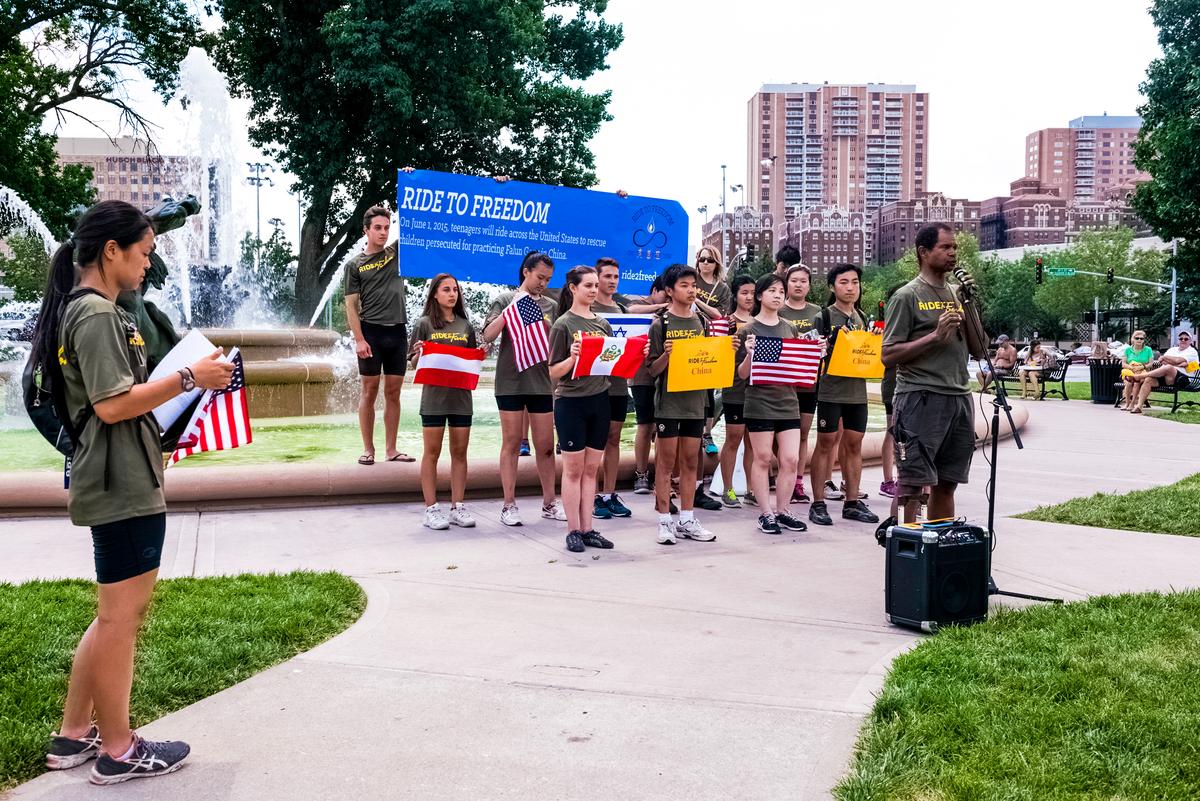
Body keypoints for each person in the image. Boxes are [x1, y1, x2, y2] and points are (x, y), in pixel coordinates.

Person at [32, 201, 234, 784]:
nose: (150, 263)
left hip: (120, 473)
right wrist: (190, 378)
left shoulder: (93, 309)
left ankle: (73, 736)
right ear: (111, 251)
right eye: (144, 253)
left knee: (112, 615)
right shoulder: (96, 314)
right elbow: (112, 403)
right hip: (120, 482)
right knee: (122, 618)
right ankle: (118, 750)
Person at [882, 222, 987, 524]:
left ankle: (938, 546)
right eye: (945, 247)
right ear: (924, 252)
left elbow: (980, 350)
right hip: (920, 397)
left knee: (947, 483)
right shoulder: (907, 296)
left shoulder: (958, 294)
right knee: (912, 485)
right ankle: (903, 547)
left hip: (958, 397)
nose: (953, 253)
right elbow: (888, 355)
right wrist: (933, 337)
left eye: (955, 247)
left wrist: (969, 303)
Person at [482, 252, 567, 526]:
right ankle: (509, 505)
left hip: (541, 382)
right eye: (540, 277)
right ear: (526, 272)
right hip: (510, 381)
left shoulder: (551, 305)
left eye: (548, 279)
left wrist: (543, 324)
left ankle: (549, 503)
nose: (543, 283)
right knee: (512, 443)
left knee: (544, 446)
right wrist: (513, 310)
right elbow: (487, 335)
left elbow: (555, 343)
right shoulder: (506, 299)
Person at [548, 266, 622, 552]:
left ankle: (588, 527)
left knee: (592, 469)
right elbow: (554, 371)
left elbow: (610, 361)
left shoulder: (602, 324)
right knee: (573, 470)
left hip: (599, 399)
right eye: (587, 285)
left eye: (595, 285)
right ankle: (573, 530)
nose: (593, 290)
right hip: (571, 402)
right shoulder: (563, 325)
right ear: (573, 288)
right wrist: (572, 357)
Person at [647, 264, 716, 545]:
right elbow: (651, 370)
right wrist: (666, 355)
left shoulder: (703, 323)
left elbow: (710, 360)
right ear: (669, 290)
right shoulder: (660, 323)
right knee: (665, 464)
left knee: (690, 462)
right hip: (669, 404)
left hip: (695, 402)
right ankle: (664, 520)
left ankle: (687, 517)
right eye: (685, 286)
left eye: (693, 285)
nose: (691, 290)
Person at [808, 264, 879, 527]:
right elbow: (812, 353)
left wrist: (874, 341)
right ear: (832, 287)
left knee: (854, 444)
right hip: (830, 390)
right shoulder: (824, 317)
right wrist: (828, 344)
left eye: (855, 282)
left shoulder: (861, 317)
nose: (850, 288)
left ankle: (851, 502)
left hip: (857, 391)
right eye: (844, 282)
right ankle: (818, 503)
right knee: (825, 443)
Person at [737, 273, 809, 534]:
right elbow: (742, 375)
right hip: (760, 402)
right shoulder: (748, 329)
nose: (778, 295)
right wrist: (750, 355)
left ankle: (784, 510)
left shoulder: (790, 328)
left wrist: (815, 352)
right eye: (772, 291)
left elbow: (797, 367)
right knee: (763, 457)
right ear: (759, 296)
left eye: (781, 291)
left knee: (790, 458)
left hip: (788, 401)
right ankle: (765, 513)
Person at [408, 274, 480, 530]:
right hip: (434, 399)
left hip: (461, 398)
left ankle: (457, 506)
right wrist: (418, 354)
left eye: (455, 290)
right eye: (446, 290)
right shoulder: (425, 324)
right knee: (432, 452)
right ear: (435, 295)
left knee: (459, 453)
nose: (452, 294)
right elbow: (415, 365)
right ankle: (431, 509)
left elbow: (472, 360)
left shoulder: (466, 326)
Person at [345, 206, 414, 465]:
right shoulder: (354, 265)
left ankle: (391, 449)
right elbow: (351, 305)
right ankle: (368, 449)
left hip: (397, 331)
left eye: (386, 228)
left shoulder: (396, 252)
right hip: (371, 332)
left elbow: (419, 221)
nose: (383, 232)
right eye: (378, 228)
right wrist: (359, 339)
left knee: (394, 393)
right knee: (369, 391)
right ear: (366, 230)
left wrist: (411, 181)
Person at [589, 257, 633, 520]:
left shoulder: (620, 310)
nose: (612, 281)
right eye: (607, 276)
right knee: (594, 442)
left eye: (615, 277)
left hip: (617, 386)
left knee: (613, 438)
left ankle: (609, 493)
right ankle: (591, 495)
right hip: (593, 386)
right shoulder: (588, 308)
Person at [778, 263, 822, 503]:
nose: (798, 285)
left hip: (809, 382)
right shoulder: (778, 309)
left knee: (803, 434)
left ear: (809, 284)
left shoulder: (817, 313)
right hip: (783, 384)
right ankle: (781, 475)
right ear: (787, 283)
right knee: (781, 434)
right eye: (794, 280)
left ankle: (797, 481)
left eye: (803, 281)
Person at [716, 274, 757, 508]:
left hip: (757, 390)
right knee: (733, 438)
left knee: (753, 442)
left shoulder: (761, 322)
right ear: (735, 295)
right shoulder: (727, 323)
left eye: (752, 292)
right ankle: (728, 489)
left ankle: (752, 489)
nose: (749, 297)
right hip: (734, 387)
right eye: (744, 292)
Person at [627, 276, 670, 494]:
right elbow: (629, 310)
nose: (668, 298)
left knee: (664, 428)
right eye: (665, 293)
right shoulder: (641, 303)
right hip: (642, 376)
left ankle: (663, 476)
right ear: (655, 291)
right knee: (645, 424)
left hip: (668, 378)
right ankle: (641, 473)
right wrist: (662, 306)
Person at [1131, 331, 1198, 414]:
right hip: (1166, 376)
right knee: (1149, 379)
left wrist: (1166, 358)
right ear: (1178, 340)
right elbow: (1161, 361)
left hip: (1183, 379)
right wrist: (1178, 363)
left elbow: (1175, 360)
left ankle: (1141, 376)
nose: (1183, 340)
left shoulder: (1192, 351)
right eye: (1181, 338)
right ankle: (1139, 406)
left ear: (1190, 341)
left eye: (1186, 339)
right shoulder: (1172, 349)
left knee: (1169, 367)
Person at [1120, 330, 1155, 410]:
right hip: (1130, 371)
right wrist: (1131, 367)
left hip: (1142, 372)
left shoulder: (1148, 350)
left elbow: (1151, 364)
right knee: (1128, 383)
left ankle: (1132, 404)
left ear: (1144, 340)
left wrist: (1141, 366)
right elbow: (1123, 363)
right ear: (1133, 339)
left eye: (1141, 338)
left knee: (1136, 383)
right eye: (1137, 338)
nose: (1139, 340)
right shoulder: (1128, 350)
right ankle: (1127, 403)